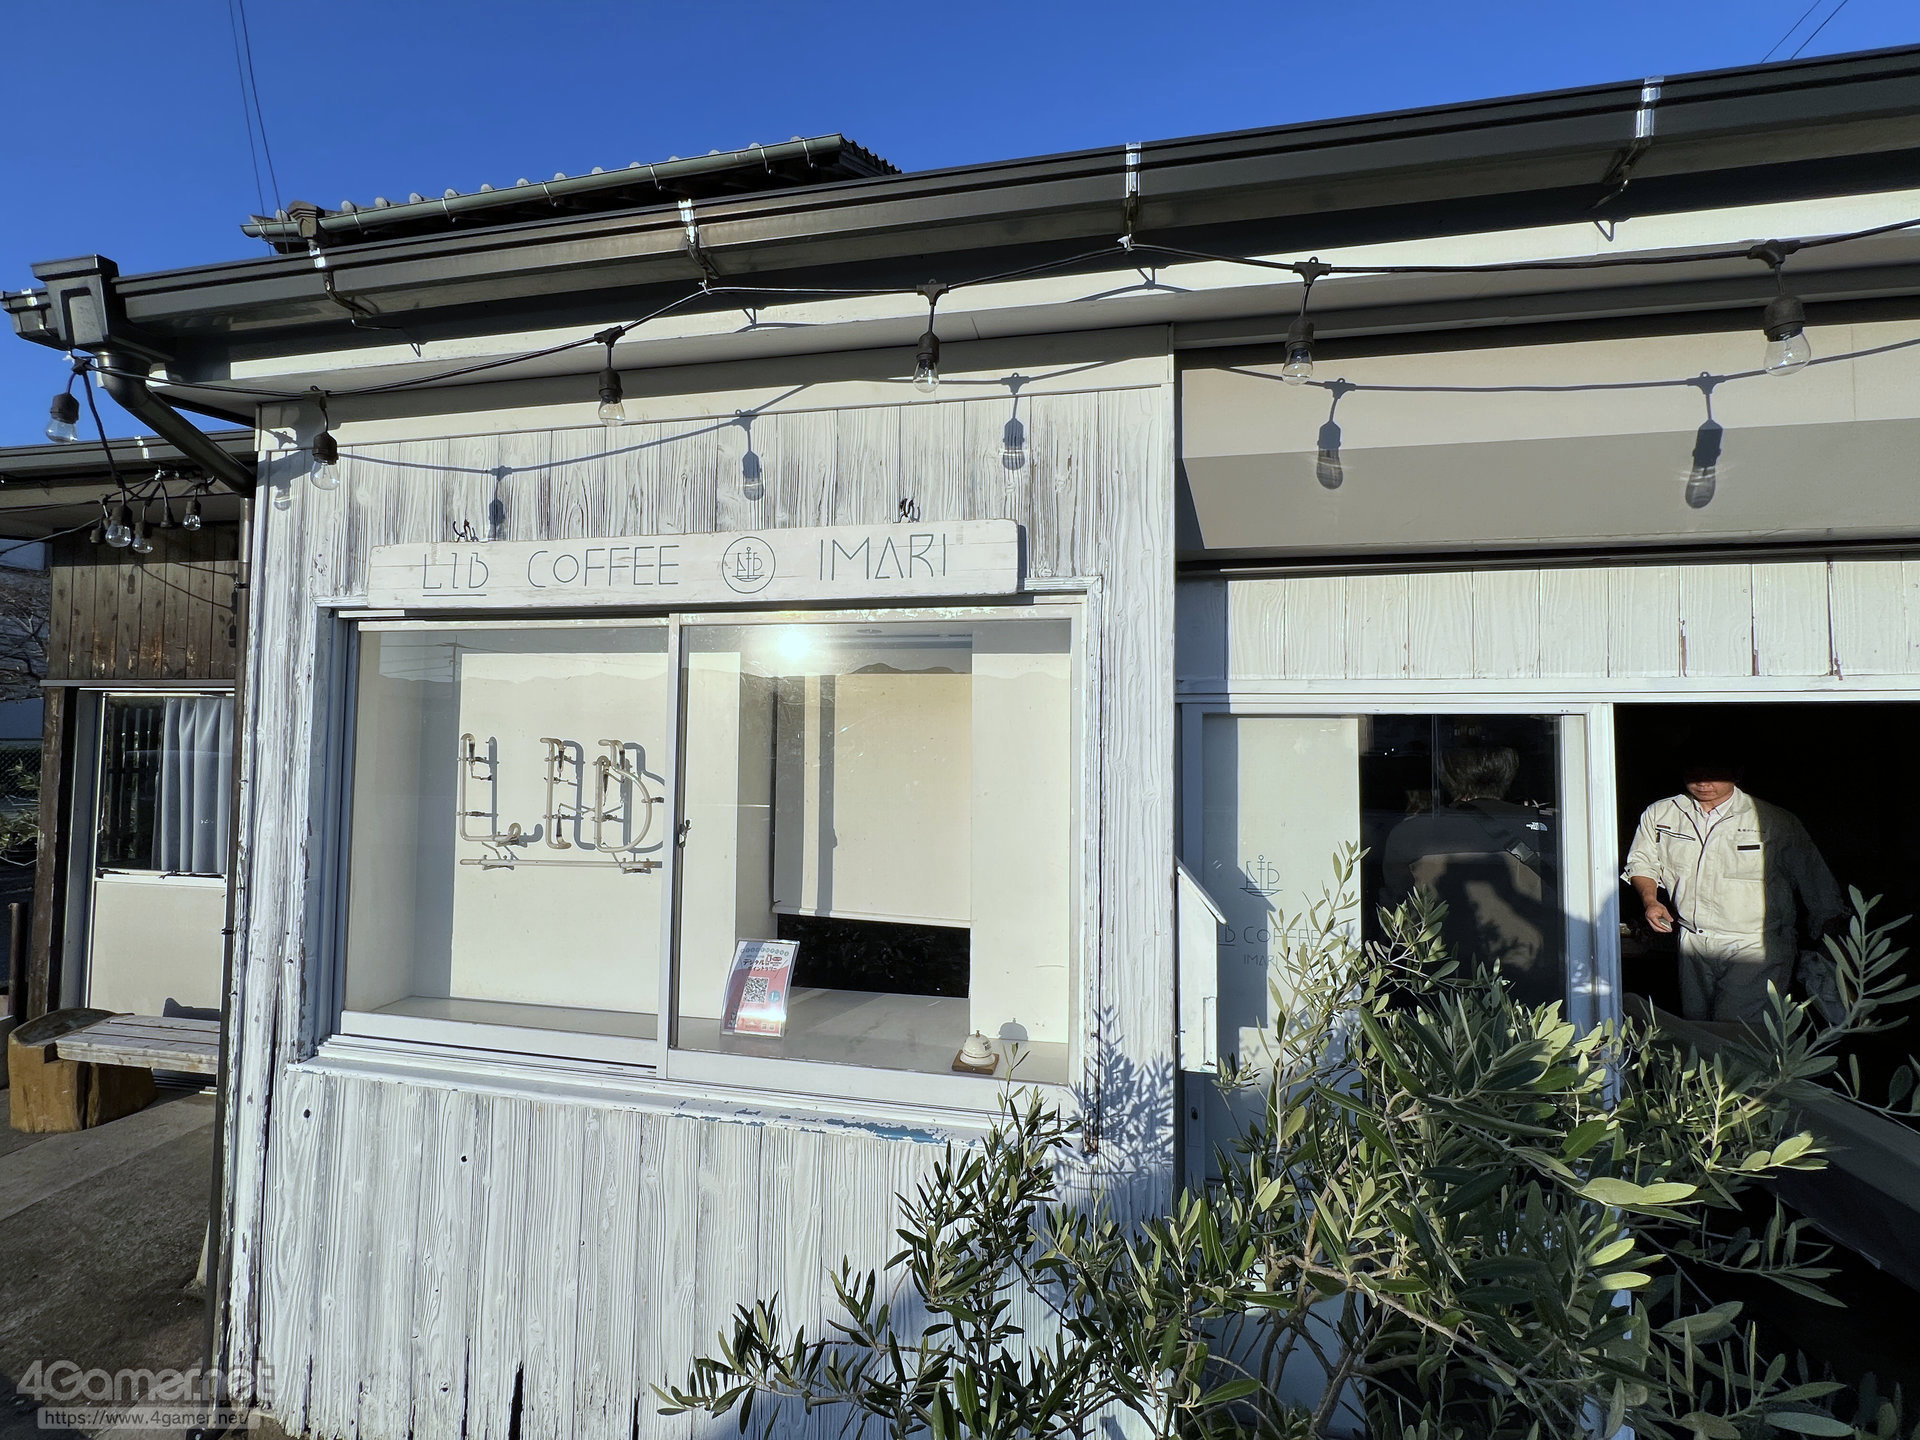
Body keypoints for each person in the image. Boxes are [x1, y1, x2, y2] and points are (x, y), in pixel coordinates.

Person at [1623, 753, 1841, 1025]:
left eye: (1713, 774)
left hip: (1755, 945)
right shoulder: (1662, 813)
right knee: (1700, 1029)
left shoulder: (1774, 820)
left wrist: (1829, 942)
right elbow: (1641, 861)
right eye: (1695, 773)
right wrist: (1651, 901)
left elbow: (1815, 880)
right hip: (1692, 941)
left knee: (1740, 1033)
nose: (1703, 782)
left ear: (1737, 773)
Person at [1383, 745, 1561, 1007]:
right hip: (1533, 990)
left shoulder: (1411, 834)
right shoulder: (1553, 829)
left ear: (1445, 775)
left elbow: (1395, 908)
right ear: (1510, 772)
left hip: (1442, 989)